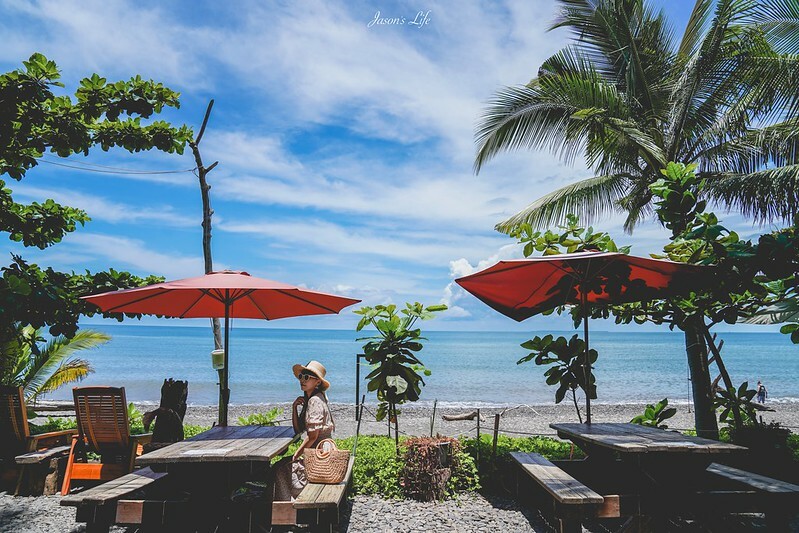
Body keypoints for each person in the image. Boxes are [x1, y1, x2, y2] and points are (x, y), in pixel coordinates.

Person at [273, 360, 335, 501]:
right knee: (281, 466)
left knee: (279, 469)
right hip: (315, 451)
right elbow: (298, 429)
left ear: (317, 382)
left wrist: (296, 454)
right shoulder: (312, 399)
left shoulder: (315, 401)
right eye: (301, 376)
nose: (302, 380)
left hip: (320, 453)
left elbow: (313, 437)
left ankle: (286, 508)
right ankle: (285, 506)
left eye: (307, 377)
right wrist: (294, 407)